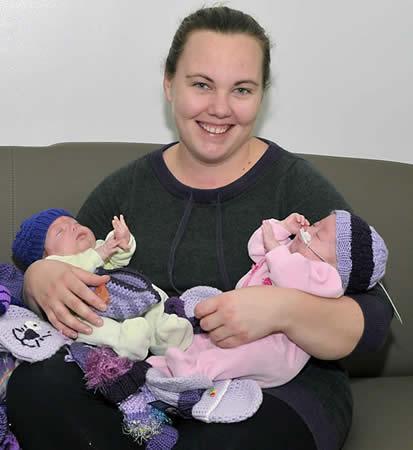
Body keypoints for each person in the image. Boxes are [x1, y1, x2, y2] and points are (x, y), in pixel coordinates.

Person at [7, 6, 393, 450]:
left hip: (277, 393)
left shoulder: (295, 188)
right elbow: (63, 274)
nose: (220, 108)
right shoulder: (123, 191)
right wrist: (38, 280)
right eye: (201, 84)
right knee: (35, 388)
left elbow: (372, 322)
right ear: (169, 85)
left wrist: (281, 309)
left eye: (242, 89)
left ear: (262, 96)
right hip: (142, 385)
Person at [148, 210, 388, 388]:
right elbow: (256, 246)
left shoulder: (326, 279)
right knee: (207, 342)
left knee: (234, 356)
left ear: (338, 265)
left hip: (276, 349)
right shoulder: (288, 251)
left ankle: (195, 372)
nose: (308, 230)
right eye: (314, 224)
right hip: (243, 328)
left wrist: (277, 248)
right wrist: (282, 227)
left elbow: (288, 273)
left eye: (318, 233)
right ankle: (166, 363)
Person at [11, 209, 193, 360]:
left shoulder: (98, 247)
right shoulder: (54, 265)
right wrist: (100, 253)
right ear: (44, 256)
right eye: (60, 231)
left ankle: (164, 334)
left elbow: (117, 260)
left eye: (75, 223)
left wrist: (122, 241)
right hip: (88, 310)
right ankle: (123, 341)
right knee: (87, 326)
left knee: (150, 303)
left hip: (123, 297)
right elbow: (76, 266)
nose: (73, 228)